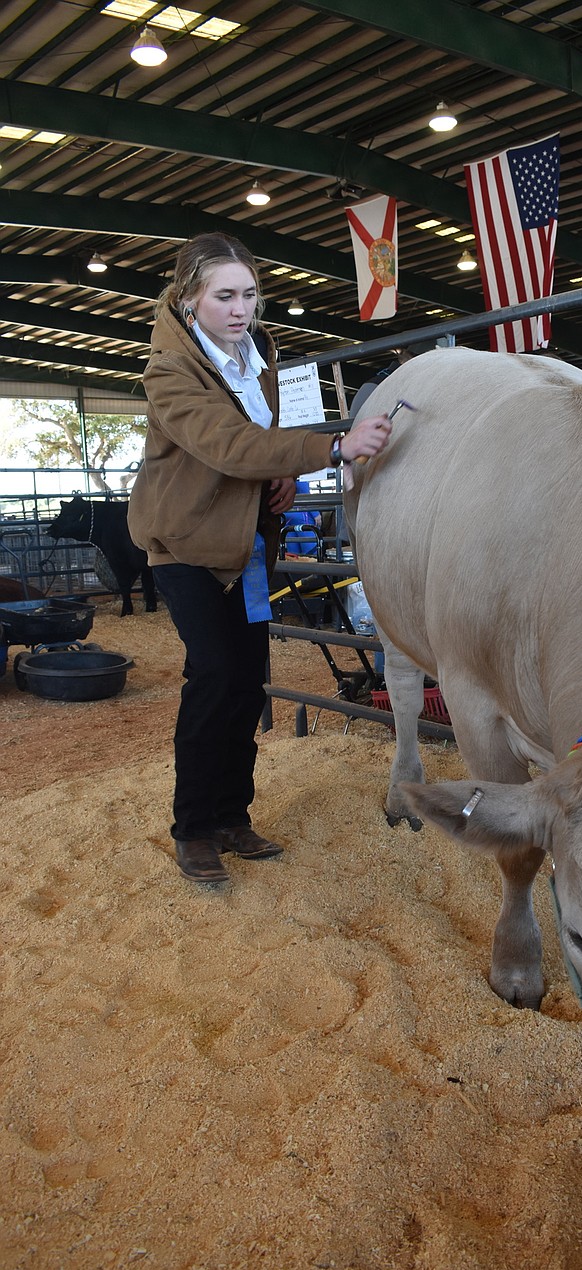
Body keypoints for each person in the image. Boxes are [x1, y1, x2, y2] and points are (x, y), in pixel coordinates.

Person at [128, 232, 392, 885]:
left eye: (248, 293)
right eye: (224, 296)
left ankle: (230, 815)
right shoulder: (169, 371)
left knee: (247, 682)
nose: (240, 307)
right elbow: (227, 444)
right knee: (213, 674)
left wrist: (288, 478)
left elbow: (261, 442)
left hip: (246, 542)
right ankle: (192, 828)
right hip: (185, 546)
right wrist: (333, 446)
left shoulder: (257, 355)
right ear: (189, 299)